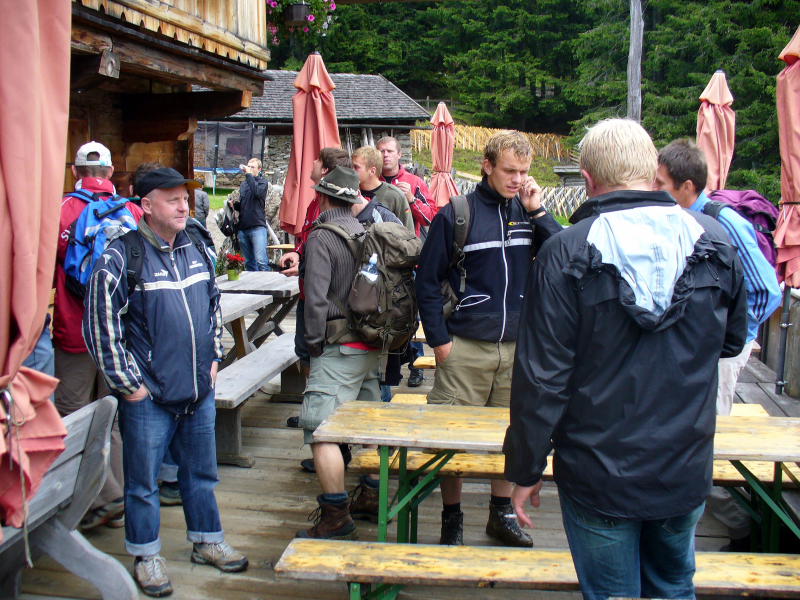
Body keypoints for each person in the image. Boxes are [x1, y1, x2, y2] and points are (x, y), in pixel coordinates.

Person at [505, 119, 748, 600]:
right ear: (652, 170)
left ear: (588, 178)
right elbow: (732, 340)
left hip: (598, 471)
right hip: (683, 464)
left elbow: (542, 380)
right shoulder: (714, 240)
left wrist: (526, 470)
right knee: (674, 587)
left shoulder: (566, 250)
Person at [84, 167, 248, 597]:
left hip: (198, 389)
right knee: (142, 484)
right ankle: (146, 555)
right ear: (146, 205)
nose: (183, 205)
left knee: (202, 473)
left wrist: (214, 359)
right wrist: (131, 386)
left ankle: (207, 541)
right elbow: (100, 327)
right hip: (148, 397)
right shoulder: (121, 257)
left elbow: (213, 305)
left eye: (185, 198)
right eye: (172, 198)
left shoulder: (196, 244)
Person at [415, 130, 561, 547]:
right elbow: (427, 281)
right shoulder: (457, 214)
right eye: (510, 171)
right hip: (465, 346)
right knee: (450, 438)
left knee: (511, 436)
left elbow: (564, 255)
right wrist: (439, 341)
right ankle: (451, 518)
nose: (518, 179)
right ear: (487, 166)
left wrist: (538, 212)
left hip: (518, 349)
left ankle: (500, 515)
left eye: (524, 172)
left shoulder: (529, 212)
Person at [655, 138, 781, 550]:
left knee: (701, 444)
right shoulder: (682, 218)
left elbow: (767, 290)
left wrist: (735, 338)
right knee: (686, 437)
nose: (654, 190)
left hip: (721, 353)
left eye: (661, 184)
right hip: (698, 351)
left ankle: (744, 529)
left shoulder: (724, 223)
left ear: (687, 186)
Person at [54, 141, 143, 531]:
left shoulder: (61, 210)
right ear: (110, 173)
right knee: (114, 416)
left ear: (75, 172)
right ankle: (118, 495)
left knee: (73, 416)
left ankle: (94, 500)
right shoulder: (133, 211)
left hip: (74, 331)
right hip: (118, 334)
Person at [296, 166, 380, 540]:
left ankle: (336, 516)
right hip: (369, 343)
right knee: (368, 424)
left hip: (337, 345)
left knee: (321, 431)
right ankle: (372, 495)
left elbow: (316, 300)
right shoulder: (367, 232)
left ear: (322, 197)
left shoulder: (321, 238)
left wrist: (313, 346)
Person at [279, 147, 353, 474]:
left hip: (328, 316)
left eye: (316, 160)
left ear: (324, 172)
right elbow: (308, 242)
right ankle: (320, 416)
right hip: (319, 304)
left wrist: (314, 340)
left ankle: (328, 436)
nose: (309, 162)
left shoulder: (334, 216)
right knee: (314, 366)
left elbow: (323, 281)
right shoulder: (319, 206)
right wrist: (299, 254)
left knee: (320, 371)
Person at [377, 136, 436, 388]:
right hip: (380, 264)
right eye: (381, 151)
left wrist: (411, 199)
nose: (385, 155)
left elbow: (432, 217)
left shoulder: (414, 182)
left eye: (389, 151)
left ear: (399, 154)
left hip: (410, 262)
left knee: (411, 313)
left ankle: (416, 365)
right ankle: (385, 368)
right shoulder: (371, 183)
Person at [351, 146, 414, 232]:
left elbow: (408, 233)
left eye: (356, 167)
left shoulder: (395, 196)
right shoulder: (350, 192)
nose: (351, 170)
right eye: (351, 166)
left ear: (372, 171)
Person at [231, 157, 269, 271]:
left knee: (261, 262)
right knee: (249, 263)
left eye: (252, 167)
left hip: (257, 227)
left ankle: (267, 282)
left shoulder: (263, 182)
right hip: (243, 228)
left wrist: (249, 175)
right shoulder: (244, 184)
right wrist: (234, 205)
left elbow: (256, 193)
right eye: (248, 166)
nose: (249, 169)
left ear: (259, 169)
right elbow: (245, 205)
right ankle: (253, 283)